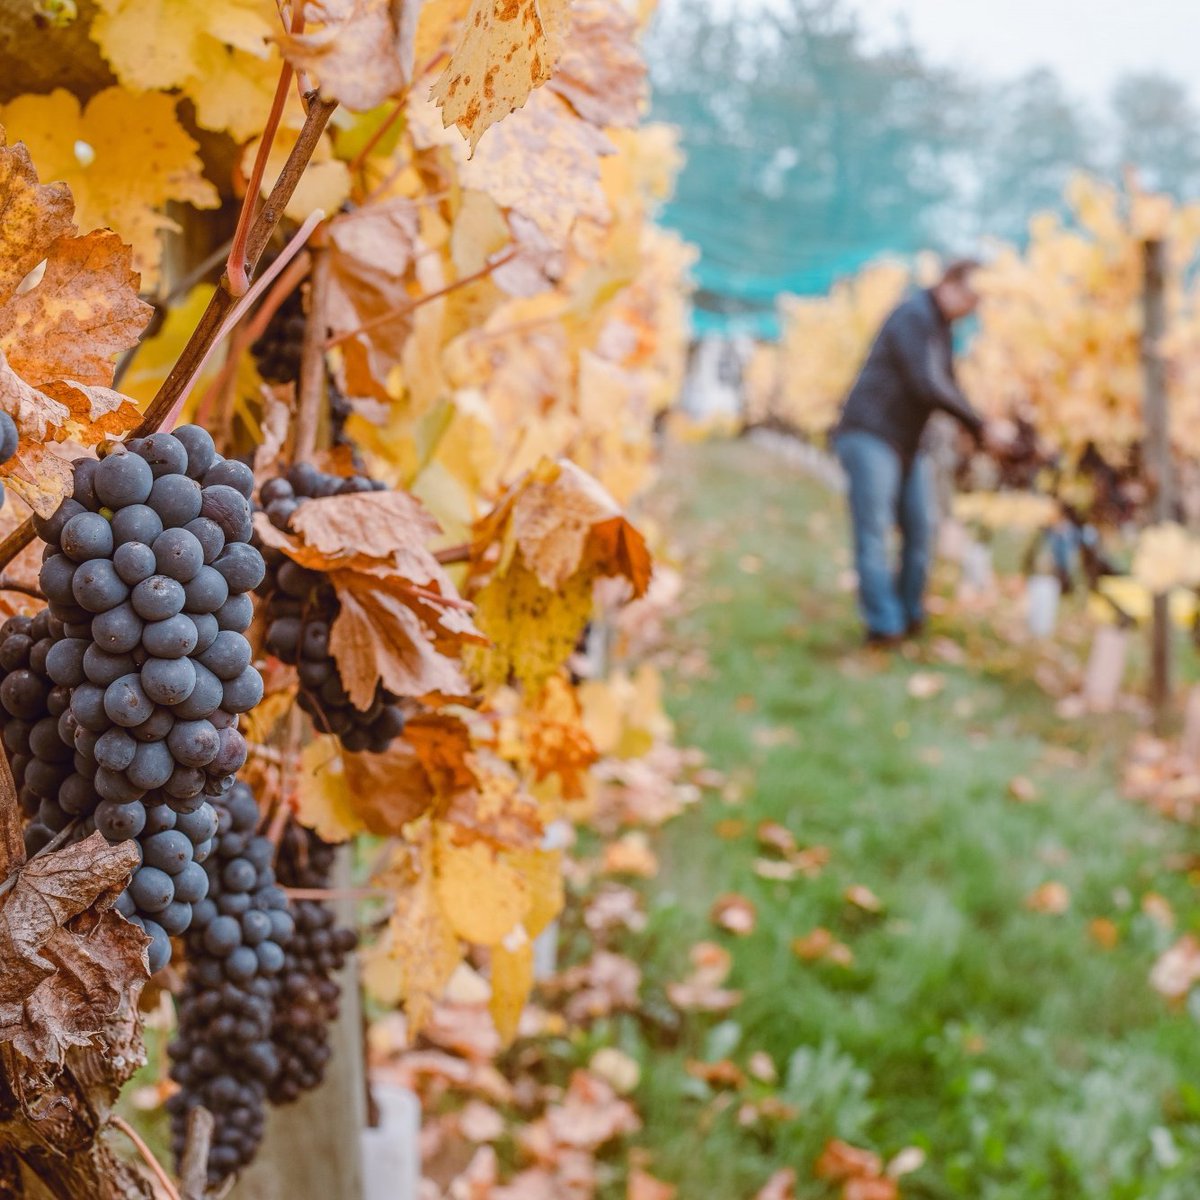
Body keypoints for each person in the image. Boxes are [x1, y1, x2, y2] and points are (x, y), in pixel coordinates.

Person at [832, 259, 994, 646]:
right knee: (875, 531)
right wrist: (979, 425)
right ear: (950, 285)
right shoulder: (914, 315)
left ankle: (909, 615)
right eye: (972, 296)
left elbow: (949, 385)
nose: (974, 306)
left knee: (921, 530)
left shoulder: (941, 329)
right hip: (871, 433)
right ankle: (885, 626)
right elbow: (927, 384)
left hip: (907, 441)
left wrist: (978, 427)